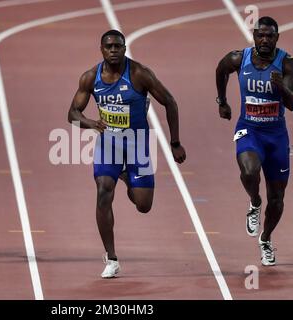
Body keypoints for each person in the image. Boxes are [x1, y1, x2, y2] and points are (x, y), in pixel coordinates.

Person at [68, 30, 186, 278]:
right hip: (108, 144)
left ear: (124, 48)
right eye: (109, 46)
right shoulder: (91, 78)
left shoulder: (139, 74)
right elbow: (72, 114)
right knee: (103, 191)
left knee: (143, 205)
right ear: (101, 49)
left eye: (118, 46)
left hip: (137, 144)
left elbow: (171, 102)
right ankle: (111, 258)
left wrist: (175, 142)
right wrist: (91, 123)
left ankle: (124, 175)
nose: (113, 50)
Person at [215, 16, 293, 266]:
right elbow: (221, 70)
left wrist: (281, 87)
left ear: (277, 38)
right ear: (254, 36)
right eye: (260, 35)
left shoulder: (287, 63)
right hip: (249, 129)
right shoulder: (239, 58)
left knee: (277, 198)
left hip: (276, 135)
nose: (264, 40)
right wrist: (222, 101)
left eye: (269, 36)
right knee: (249, 170)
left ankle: (266, 239)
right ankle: (254, 202)